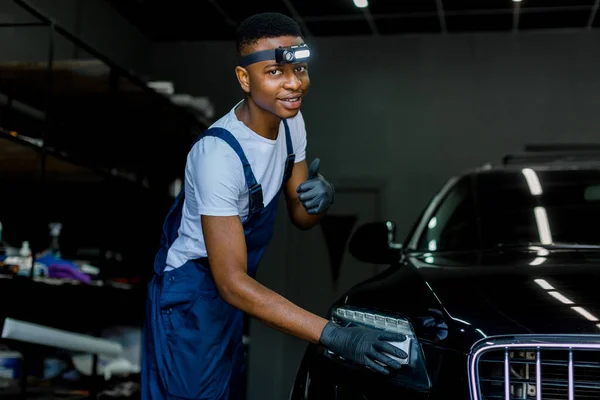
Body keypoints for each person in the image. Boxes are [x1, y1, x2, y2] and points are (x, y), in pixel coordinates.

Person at [141, 12, 408, 400]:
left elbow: (302, 218)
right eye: (275, 72)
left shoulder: (290, 122)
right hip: (191, 299)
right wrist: (334, 336)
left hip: (231, 293)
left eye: (299, 69)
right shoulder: (217, 155)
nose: (294, 84)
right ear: (245, 78)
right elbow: (231, 283)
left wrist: (322, 197)